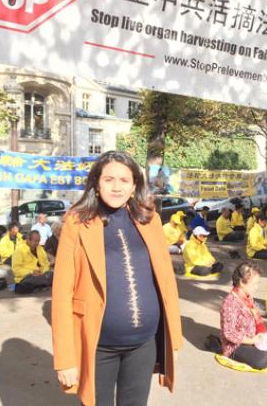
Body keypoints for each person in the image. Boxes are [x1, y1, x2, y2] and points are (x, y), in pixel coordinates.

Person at [51, 150, 182, 406]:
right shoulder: (77, 223)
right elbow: (61, 294)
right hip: (98, 345)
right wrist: (65, 358)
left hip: (144, 344)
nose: (116, 187)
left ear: (134, 186)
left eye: (124, 180)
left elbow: (166, 282)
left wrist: (173, 339)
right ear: (96, 184)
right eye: (109, 179)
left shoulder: (150, 219)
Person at [220, 262, 267, 370]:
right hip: (236, 345)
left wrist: (260, 335)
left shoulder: (247, 297)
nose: (256, 287)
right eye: (254, 284)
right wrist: (253, 341)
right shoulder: (229, 303)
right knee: (262, 361)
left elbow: (256, 320)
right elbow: (229, 333)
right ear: (242, 282)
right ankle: (260, 353)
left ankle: (259, 350)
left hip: (254, 338)